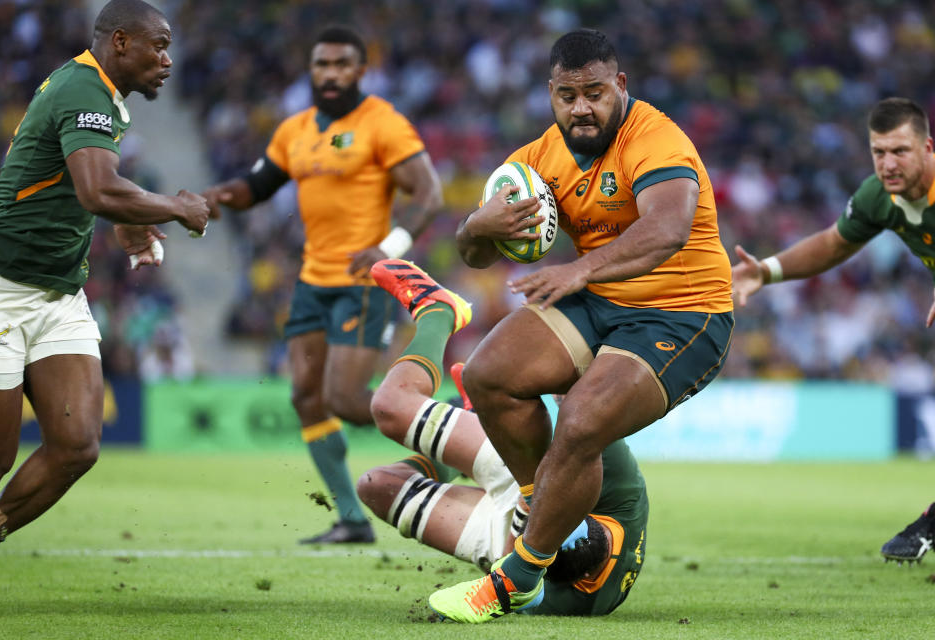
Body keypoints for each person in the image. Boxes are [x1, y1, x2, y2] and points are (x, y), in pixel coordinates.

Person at [428, 28, 734, 622]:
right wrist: (476, 227)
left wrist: (582, 268)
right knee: (490, 375)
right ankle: (541, 503)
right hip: (600, 300)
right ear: (551, 93)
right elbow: (475, 254)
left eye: (594, 92)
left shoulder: (657, 138)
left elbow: (668, 228)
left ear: (619, 86)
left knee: (582, 417)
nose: (581, 107)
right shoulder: (541, 157)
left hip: (685, 310)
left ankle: (517, 577)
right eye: (568, 95)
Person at [0, 0, 210, 619]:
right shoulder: (85, 88)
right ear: (121, 42)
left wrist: (126, 224)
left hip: (59, 293)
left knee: (77, 444)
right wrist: (175, 208)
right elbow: (96, 188)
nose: (167, 61)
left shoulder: (100, 93)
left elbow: (85, 190)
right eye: (158, 47)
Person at [202, 25, 443, 544]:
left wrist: (391, 249)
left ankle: (455, 436)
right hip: (312, 283)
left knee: (345, 396)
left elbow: (428, 192)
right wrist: (220, 194)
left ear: (360, 70)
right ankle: (352, 519)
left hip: (363, 282)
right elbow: (258, 185)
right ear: (311, 71)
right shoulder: (295, 131)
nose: (330, 74)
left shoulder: (382, 122)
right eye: (321, 65)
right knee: (307, 397)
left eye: (341, 64)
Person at [360, 258, 648, 616]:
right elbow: (569, 390)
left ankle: (469, 418)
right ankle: (438, 312)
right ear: (591, 515)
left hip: (513, 545)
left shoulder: (559, 600)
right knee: (390, 407)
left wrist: (522, 540)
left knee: (377, 484)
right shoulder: (619, 488)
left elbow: (514, 571)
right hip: (539, 473)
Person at [729, 96, 935, 565]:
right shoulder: (879, 197)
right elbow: (834, 243)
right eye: (878, 152)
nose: (888, 163)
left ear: (927, 147)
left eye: (900, 151)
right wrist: (768, 271)